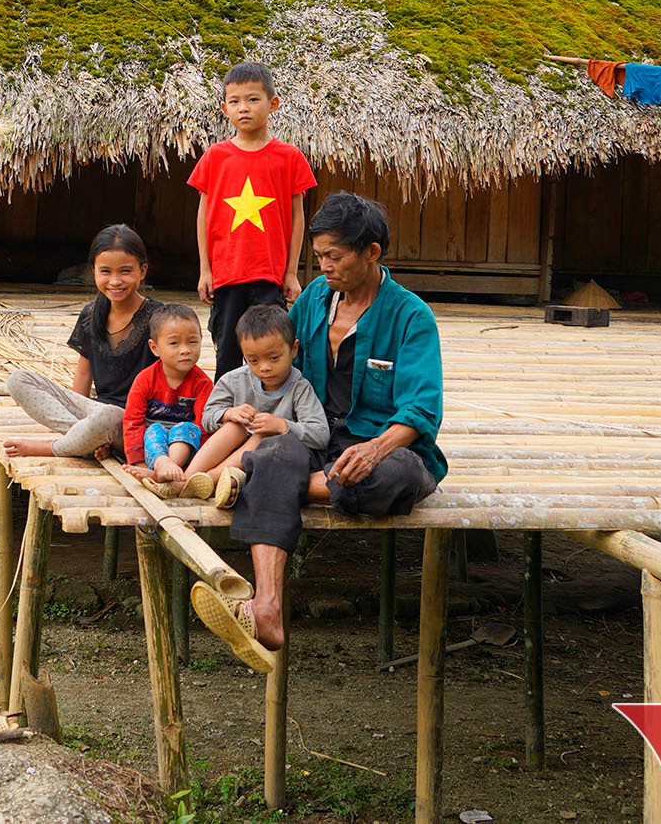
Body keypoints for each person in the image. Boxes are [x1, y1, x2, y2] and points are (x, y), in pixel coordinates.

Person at [191, 192, 445, 672]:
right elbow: (271, 363)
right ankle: (266, 610)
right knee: (273, 453)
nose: (324, 266)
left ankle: (272, 485)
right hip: (315, 438)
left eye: (335, 256)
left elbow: (421, 409)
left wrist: (374, 448)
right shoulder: (311, 303)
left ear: (372, 252)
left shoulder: (411, 317)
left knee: (395, 478)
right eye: (319, 255)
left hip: (383, 445)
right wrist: (238, 412)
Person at [189, 63, 317, 377]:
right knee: (228, 353)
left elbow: (297, 218)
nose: (243, 108)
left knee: (272, 351)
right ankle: (226, 418)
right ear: (224, 108)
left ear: (272, 103)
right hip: (227, 274)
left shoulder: (290, 157)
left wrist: (290, 273)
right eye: (234, 101)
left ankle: (273, 414)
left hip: (269, 274)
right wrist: (206, 269)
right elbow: (203, 215)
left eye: (253, 99)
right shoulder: (215, 156)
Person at [3, 225, 157, 459]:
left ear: (142, 270)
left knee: (108, 418)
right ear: (93, 271)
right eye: (105, 271)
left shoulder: (160, 318)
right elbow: (84, 375)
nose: (115, 281)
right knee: (18, 380)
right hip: (95, 413)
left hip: (135, 423)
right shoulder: (91, 314)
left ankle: (56, 447)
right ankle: (85, 439)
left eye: (125, 271)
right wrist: (80, 415)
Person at [180, 303, 326, 506]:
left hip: (264, 461)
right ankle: (188, 478)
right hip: (229, 451)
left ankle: (206, 481)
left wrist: (282, 427)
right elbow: (207, 417)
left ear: (293, 349)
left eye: (274, 358)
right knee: (234, 427)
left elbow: (321, 434)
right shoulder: (234, 380)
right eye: (253, 360)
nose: (265, 367)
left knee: (262, 436)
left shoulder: (300, 388)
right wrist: (228, 414)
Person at [120, 302, 214, 491]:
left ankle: (167, 469)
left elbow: (203, 426)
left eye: (192, 341)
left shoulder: (203, 384)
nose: (185, 350)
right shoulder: (145, 380)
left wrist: (197, 461)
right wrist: (138, 462)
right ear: (154, 348)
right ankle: (162, 465)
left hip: (184, 447)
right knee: (155, 429)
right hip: (153, 446)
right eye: (174, 343)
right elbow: (133, 421)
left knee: (187, 428)